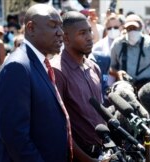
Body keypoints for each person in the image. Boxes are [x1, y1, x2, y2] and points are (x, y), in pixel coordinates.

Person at [0, 4, 71, 162]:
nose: (60, 33)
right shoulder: (17, 67)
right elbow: (15, 136)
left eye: (61, 27)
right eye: (53, 26)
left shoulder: (39, 62)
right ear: (31, 28)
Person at [50, 11, 105, 162]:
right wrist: (87, 159)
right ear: (66, 38)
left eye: (89, 31)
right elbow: (59, 128)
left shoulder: (94, 67)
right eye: (82, 33)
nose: (90, 37)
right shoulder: (57, 71)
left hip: (100, 152)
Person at [110, 14, 150, 90]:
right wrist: (117, 73)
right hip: (126, 88)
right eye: (129, 28)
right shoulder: (118, 44)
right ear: (125, 28)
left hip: (147, 87)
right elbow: (111, 67)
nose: (132, 31)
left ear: (141, 27)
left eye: (134, 28)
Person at [89, 13, 124, 102]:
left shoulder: (127, 43)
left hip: (124, 87)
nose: (113, 30)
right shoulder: (98, 46)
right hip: (106, 89)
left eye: (116, 27)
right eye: (109, 28)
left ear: (121, 27)